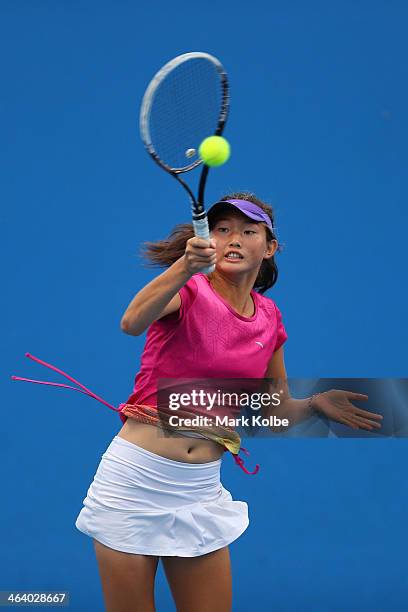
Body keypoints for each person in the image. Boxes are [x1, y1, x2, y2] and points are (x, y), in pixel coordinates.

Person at [11, 191, 383, 612]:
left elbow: (276, 408)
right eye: (222, 229)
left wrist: (315, 404)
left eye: (248, 230)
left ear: (270, 246)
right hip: (134, 483)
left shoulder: (270, 317)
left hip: (199, 491)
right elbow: (132, 321)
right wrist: (185, 266)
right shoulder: (189, 291)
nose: (233, 239)